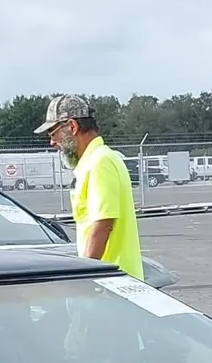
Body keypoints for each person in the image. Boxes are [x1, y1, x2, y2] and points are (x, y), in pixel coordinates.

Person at [36, 95, 143, 280]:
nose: (52, 142)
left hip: (110, 283)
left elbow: (102, 226)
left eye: (53, 133)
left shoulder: (99, 162)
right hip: (112, 279)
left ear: (72, 126)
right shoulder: (100, 160)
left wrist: (83, 276)